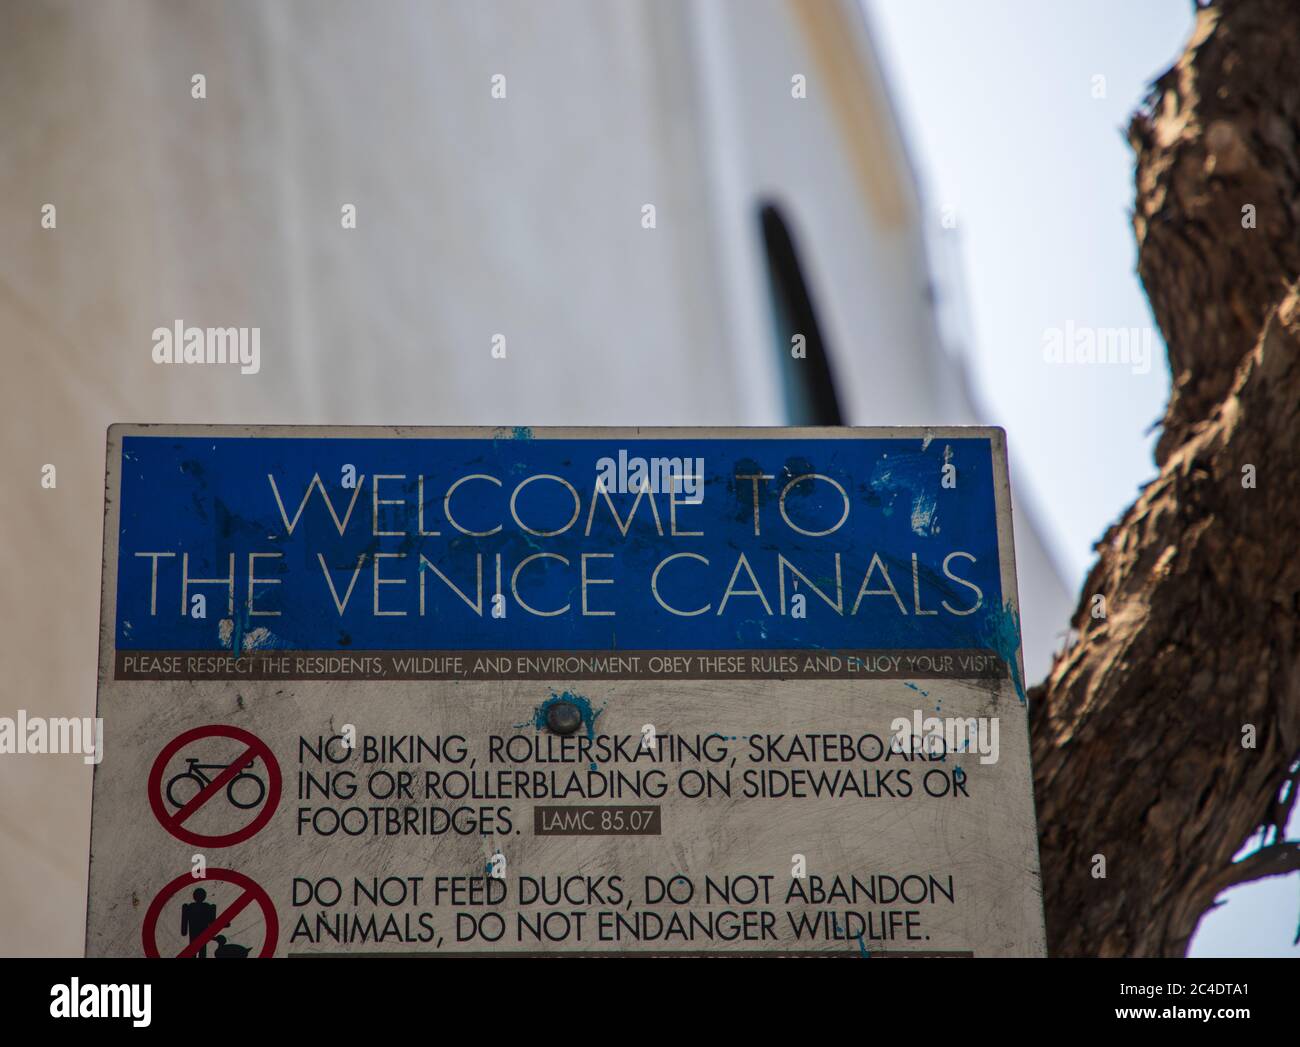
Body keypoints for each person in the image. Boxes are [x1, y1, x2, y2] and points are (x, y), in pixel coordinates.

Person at [180, 887, 217, 958]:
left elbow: (184, 924)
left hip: (195, 932)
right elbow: (212, 922)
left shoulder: (190, 907)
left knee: (195, 950)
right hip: (202, 932)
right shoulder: (207, 907)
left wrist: (184, 931)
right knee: (201, 950)